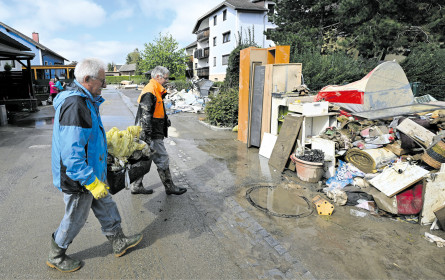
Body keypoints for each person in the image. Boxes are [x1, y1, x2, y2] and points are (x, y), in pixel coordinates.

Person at [47, 58, 143, 272]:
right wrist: (91, 181)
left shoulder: (86, 100)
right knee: (75, 218)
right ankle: (56, 254)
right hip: (79, 177)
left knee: (107, 205)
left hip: (91, 172)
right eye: (102, 80)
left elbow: (88, 140)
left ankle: (118, 241)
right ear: (87, 79)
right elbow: (72, 155)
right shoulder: (76, 105)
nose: (105, 85)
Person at [130, 66, 187, 196]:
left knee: (144, 159)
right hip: (152, 134)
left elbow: (154, 111)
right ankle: (169, 186)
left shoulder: (155, 90)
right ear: (158, 77)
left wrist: (164, 120)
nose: (167, 80)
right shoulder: (150, 92)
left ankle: (136, 186)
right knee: (162, 158)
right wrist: (147, 139)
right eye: (166, 78)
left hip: (152, 132)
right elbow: (146, 117)